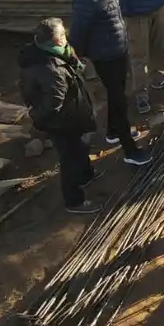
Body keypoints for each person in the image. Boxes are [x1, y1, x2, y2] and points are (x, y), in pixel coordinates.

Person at [70, 0, 150, 166]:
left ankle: (113, 131)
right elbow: (78, 34)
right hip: (105, 57)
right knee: (119, 99)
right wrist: (80, 57)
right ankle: (130, 151)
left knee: (119, 93)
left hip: (118, 50)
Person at [19, 18, 100, 214]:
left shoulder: (53, 51)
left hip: (73, 114)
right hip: (63, 123)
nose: (66, 37)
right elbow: (53, 103)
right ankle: (74, 201)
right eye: (63, 35)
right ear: (55, 41)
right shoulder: (51, 70)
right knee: (70, 159)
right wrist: (37, 117)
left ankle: (86, 175)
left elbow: (72, 61)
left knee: (82, 145)